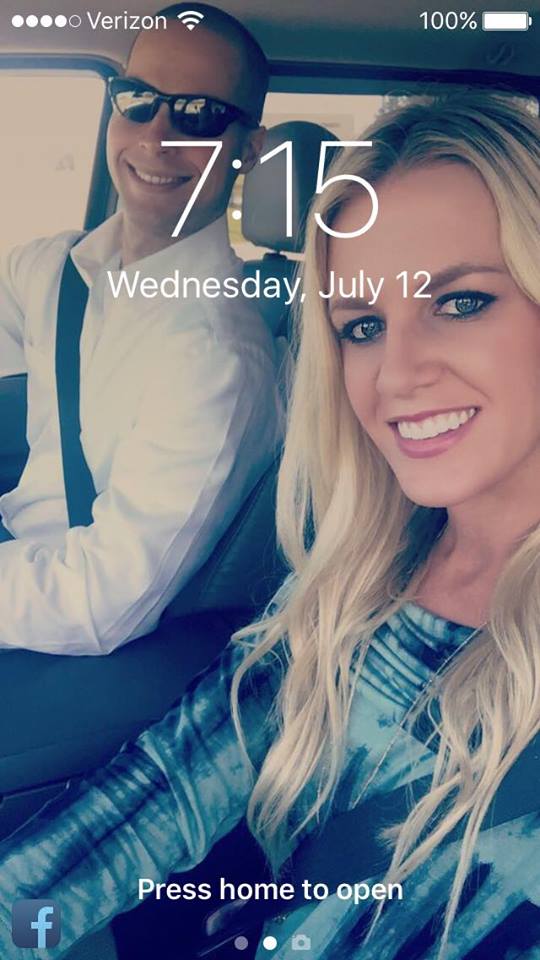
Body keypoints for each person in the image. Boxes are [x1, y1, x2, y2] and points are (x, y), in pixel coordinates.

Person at [0, 91, 538, 959]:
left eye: (462, 302)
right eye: (362, 326)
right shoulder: (351, 582)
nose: (396, 373)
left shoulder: (212, 347)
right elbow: (162, 796)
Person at [0, 3, 283, 654]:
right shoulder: (51, 269)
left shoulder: (218, 355)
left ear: (249, 150)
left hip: (69, 637)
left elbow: (102, 601)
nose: (156, 137)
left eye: (199, 115)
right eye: (137, 99)